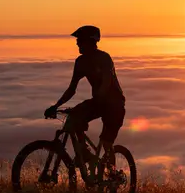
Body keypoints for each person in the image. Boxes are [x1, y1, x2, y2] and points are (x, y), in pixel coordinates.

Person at [44, 25, 125, 170]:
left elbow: (107, 82)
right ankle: (84, 152)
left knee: (106, 143)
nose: (77, 43)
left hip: (115, 104)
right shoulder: (80, 62)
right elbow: (71, 89)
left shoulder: (104, 58)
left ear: (91, 41)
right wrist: (56, 106)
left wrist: (98, 99)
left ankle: (113, 177)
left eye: (80, 40)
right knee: (74, 117)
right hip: (99, 102)